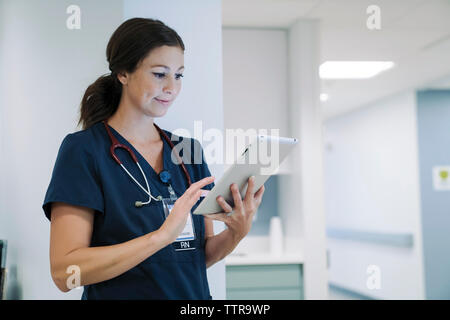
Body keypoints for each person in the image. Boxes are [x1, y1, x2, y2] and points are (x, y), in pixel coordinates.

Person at [42, 17, 265, 300]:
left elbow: (199, 256)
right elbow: (65, 272)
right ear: (123, 73)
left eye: (179, 75)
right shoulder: (84, 151)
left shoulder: (188, 151)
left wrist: (236, 233)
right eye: (160, 74)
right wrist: (159, 238)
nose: (172, 87)